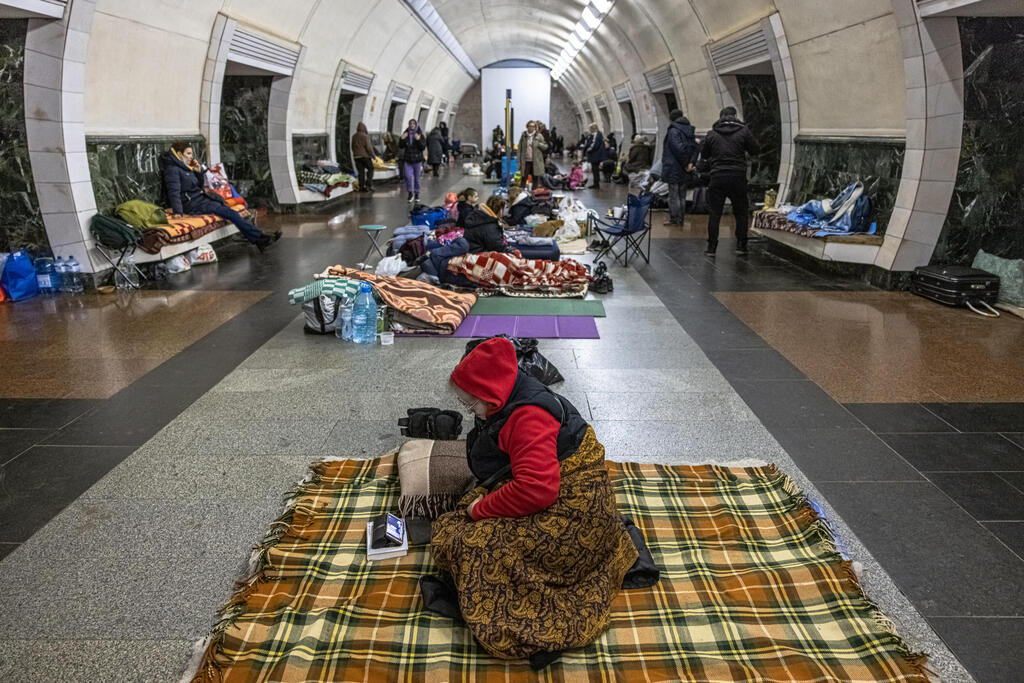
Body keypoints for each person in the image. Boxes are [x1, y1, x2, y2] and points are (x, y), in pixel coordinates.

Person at [429, 337, 638, 664]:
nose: (470, 411)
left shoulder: (528, 416)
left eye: (471, 404)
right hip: (554, 483)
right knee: (461, 522)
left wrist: (482, 510)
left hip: (575, 504)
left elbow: (538, 490)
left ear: (490, 393)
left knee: (476, 545)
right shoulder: (507, 398)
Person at [160, 142, 280, 251]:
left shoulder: (185, 167)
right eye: (188, 153)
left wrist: (198, 172)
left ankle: (259, 238)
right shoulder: (173, 170)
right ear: (180, 154)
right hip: (192, 205)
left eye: (191, 153)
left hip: (201, 200)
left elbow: (197, 186)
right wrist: (178, 212)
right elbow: (173, 192)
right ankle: (259, 238)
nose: (191, 156)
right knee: (231, 213)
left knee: (230, 211)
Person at [699, 105, 760, 255]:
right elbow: (756, 149)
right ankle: (741, 245)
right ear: (735, 116)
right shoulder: (744, 131)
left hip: (717, 177)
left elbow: (704, 154)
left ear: (720, 117)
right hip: (738, 177)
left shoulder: (712, 134)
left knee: (714, 213)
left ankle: (711, 248)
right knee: (741, 212)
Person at [662, 109, 698, 226]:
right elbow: (694, 148)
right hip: (685, 167)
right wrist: (690, 164)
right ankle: (681, 218)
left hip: (674, 167)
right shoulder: (690, 130)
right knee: (682, 195)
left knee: (674, 195)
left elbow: (678, 149)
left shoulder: (673, 131)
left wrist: (685, 164)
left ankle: (674, 218)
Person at [399, 119, 426, 203]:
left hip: (417, 160)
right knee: (407, 176)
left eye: (413, 123)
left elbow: (423, 147)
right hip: (408, 160)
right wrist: (402, 139)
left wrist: (418, 140)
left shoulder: (420, 135)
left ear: (416, 125)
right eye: (410, 123)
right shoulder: (406, 134)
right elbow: (400, 146)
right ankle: (410, 193)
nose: (412, 125)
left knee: (417, 178)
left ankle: (417, 193)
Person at [517, 121, 549, 189]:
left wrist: (538, 144)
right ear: (527, 127)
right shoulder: (523, 135)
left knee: (535, 178)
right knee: (523, 177)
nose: (531, 128)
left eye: (533, 126)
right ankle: (521, 193)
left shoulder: (539, 135)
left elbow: (545, 146)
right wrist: (518, 161)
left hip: (536, 161)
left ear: (535, 127)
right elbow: (519, 148)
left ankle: (534, 194)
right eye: (530, 126)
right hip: (525, 160)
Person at [351, 122, 376, 193]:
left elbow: (352, 147)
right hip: (365, 156)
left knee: (361, 172)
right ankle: (369, 184)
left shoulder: (354, 136)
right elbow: (369, 147)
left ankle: (361, 186)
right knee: (371, 169)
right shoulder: (365, 136)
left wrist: (355, 154)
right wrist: (373, 156)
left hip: (356, 157)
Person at [584, 123, 607, 189]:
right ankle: (596, 183)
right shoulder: (597, 134)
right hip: (596, 155)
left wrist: (588, 150)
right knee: (595, 170)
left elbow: (594, 145)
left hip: (595, 155)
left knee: (595, 170)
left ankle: (596, 184)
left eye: (590, 129)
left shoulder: (596, 135)